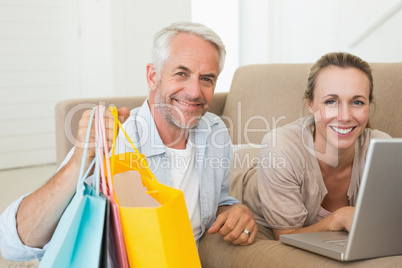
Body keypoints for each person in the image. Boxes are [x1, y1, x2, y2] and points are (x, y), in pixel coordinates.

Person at [0, 22, 257, 261]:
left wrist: (232, 210)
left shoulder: (215, 133)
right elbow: (11, 244)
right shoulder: (117, 140)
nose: (194, 91)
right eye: (181, 73)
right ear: (152, 76)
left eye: (207, 79)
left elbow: (217, 200)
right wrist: (79, 161)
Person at [256, 52, 391, 240]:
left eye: (357, 102)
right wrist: (337, 218)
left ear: (369, 105)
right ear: (310, 104)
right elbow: (285, 236)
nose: (345, 116)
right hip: (245, 175)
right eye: (331, 102)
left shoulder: (382, 150)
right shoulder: (280, 146)